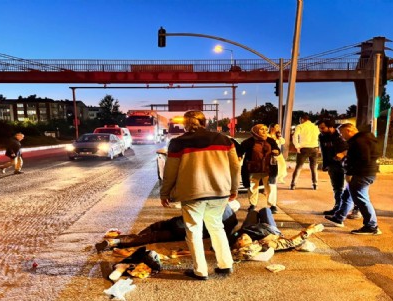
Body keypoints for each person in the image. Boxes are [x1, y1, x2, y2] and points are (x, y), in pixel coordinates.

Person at [160, 110, 241, 280]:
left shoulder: (178, 143)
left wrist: (165, 192)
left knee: (193, 230)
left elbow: (170, 171)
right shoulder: (225, 140)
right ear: (205, 122)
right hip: (219, 192)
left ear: (185, 124)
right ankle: (225, 264)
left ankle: (200, 271)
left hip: (192, 193)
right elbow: (235, 167)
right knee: (216, 227)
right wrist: (234, 188)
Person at [95, 201, 240, 251]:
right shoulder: (229, 221)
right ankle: (118, 241)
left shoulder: (222, 203)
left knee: (157, 226)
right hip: (188, 225)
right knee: (154, 237)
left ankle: (130, 239)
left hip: (184, 221)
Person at [325, 123, 381, 235]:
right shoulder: (363, 139)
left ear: (349, 130)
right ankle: (339, 217)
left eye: (342, 133)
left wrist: (350, 173)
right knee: (347, 194)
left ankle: (371, 226)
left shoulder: (359, 141)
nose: (341, 136)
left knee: (361, 198)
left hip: (361, 174)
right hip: (364, 173)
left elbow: (362, 159)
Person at [230, 206, 324, 260]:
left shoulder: (233, 239)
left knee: (252, 212)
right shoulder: (265, 243)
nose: (242, 237)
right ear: (253, 242)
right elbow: (290, 243)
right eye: (245, 239)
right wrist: (310, 230)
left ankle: (254, 212)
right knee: (265, 210)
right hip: (269, 228)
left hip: (249, 227)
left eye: (238, 240)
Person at [240, 124, 280, 213]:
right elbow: (240, 151)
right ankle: (252, 204)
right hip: (253, 169)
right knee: (252, 187)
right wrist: (239, 156)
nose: (265, 131)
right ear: (255, 131)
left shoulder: (270, 140)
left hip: (268, 169)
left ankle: (273, 205)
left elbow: (277, 150)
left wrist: (276, 152)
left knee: (271, 186)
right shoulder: (248, 142)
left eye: (266, 129)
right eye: (262, 129)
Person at [318, 119, 348, 215]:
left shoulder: (341, 135)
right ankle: (337, 207)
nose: (320, 130)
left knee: (352, 188)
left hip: (346, 164)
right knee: (337, 187)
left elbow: (351, 147)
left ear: (331, 127)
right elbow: (323, 151)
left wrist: (343, 154)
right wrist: (325, 164)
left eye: (322, 128)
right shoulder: (322, 137)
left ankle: (355, 209)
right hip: (333, 164)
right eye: (319, 128)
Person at [290, 115, 320, 190]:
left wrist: (297, 146)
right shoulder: (315, 126)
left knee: (298, 167)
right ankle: (315, 184)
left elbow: (295, 136)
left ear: (302, 119)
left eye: (300, 120)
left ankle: (293, 184)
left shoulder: (300, 126)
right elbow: (319, 136)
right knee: (313, 167)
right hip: (314, 148)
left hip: (304, 148)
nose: (299, 121)